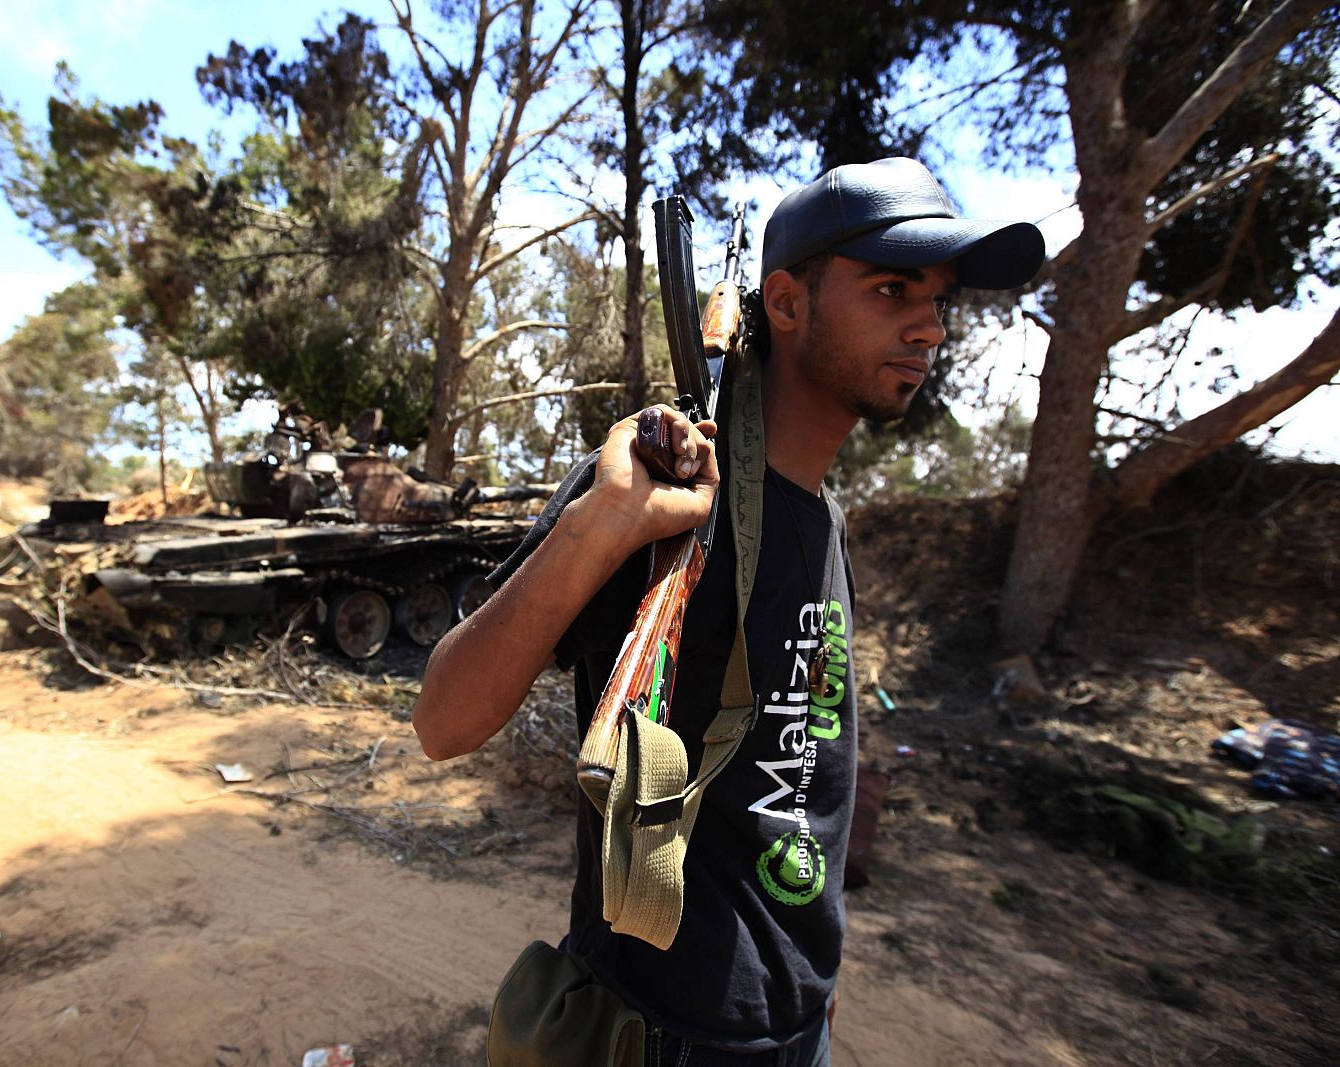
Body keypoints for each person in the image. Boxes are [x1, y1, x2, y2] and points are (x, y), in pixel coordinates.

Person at [412, 157, 1045, 1066]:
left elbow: (806, 792)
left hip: (791, 1034)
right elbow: (443, 720)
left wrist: (813, 1002)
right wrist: (602, 525)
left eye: (939, 300)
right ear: (786, 303)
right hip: (659, 1036)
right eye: (893, 288)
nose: (930, 327)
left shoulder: (823, 522)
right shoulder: (656, 494)